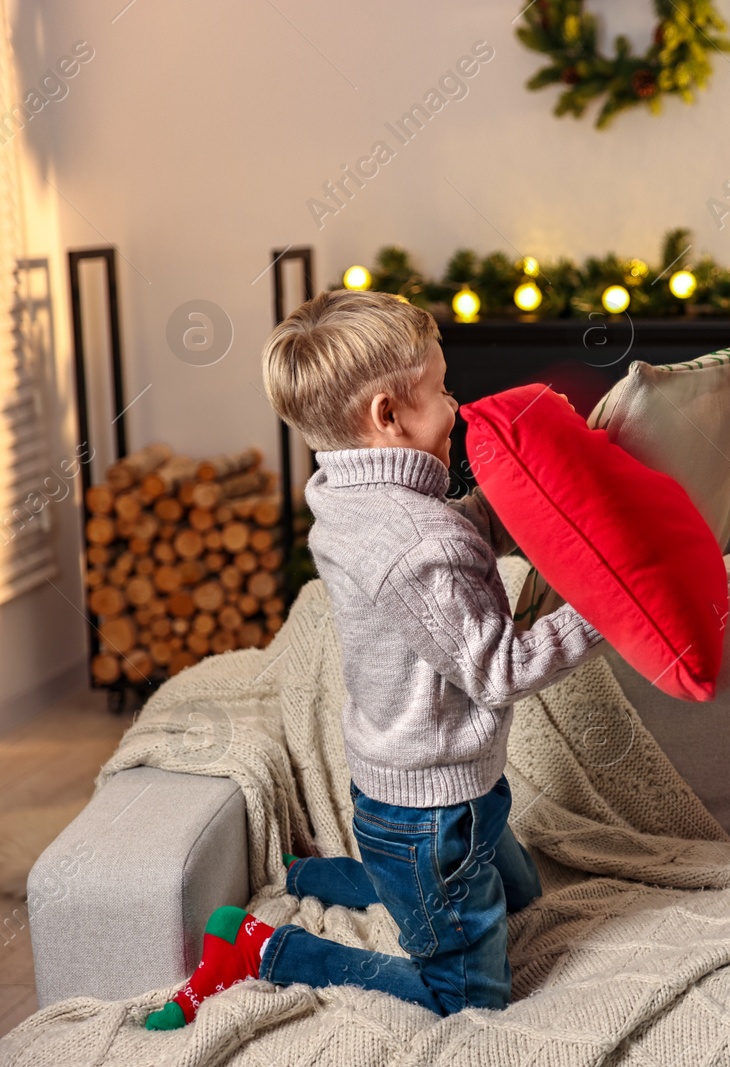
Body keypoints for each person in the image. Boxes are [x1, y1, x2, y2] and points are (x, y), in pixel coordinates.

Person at [144, 289, 607, 1030]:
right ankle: (263, 946)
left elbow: (446, 538)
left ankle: (318, 874)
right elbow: (497, 669)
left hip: (421, 791)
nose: (456, 407)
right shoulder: (417, 543)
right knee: (468, 999)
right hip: (433, 817)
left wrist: (523, 499)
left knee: (526, 902)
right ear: (388, 416)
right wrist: (609, 607)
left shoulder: (342, 489)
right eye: (442, 390)